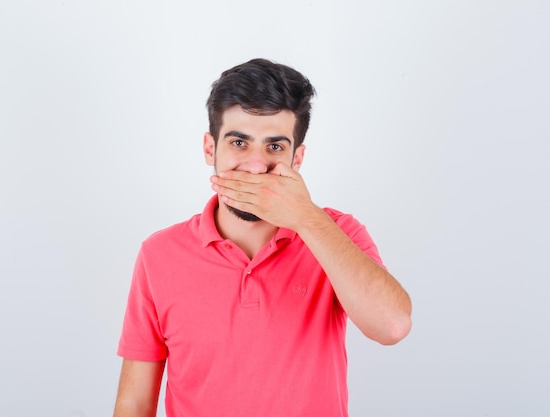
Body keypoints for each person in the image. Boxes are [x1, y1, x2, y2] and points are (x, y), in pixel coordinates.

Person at [113, 58, 412, 417]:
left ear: (297, 158)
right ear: (210, 149)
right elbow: (134, 402)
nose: (256, 166)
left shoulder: (337, 232)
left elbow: (392, 326)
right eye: (239, 142)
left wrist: (306, 218)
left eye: (274, 147)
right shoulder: (159, 254)